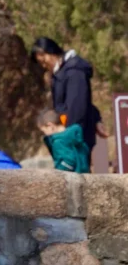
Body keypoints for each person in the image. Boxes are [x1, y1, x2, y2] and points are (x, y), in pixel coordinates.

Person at [31, 37, 103, 169]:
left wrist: (66, 135)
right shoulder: (60, 73)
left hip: (74, 137)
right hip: (70, 135)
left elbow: (78, 105)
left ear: (49, 53)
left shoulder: (74, 71)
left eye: (43, 61)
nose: (43, 66)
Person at [39, 108, 91, 174]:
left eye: (43, 131)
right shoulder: (74, 136)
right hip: (84, 173)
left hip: (72, 178)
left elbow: (68, 162)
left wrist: (57, 173)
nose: (45, 134)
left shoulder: (58, 141)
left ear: (50, 126)